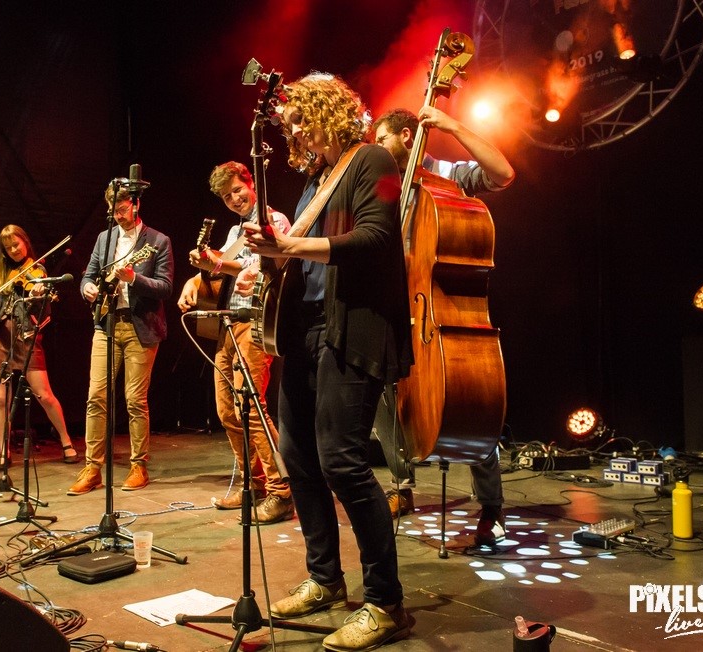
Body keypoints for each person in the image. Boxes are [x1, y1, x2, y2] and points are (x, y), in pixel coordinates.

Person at [236, 74, 413, 651]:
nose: (295, 135)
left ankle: (385, 603)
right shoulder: (314, 182)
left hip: (351, 330)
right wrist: (267, 264)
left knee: (342, 462)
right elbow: (301, 260)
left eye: (300, 123)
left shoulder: (374, 160)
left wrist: (290, 246)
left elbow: (377, 237)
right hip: (305, 331)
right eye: (289, 128)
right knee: (299, 459)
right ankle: (325, 579)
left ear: (325, 111)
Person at [372, 107, 515, 546]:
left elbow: (503, 173)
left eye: (382, 139)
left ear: (407, 135)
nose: (377, 149)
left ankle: (491, 504)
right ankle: (402, 485)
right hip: (400, 309)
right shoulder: (384, 187)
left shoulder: (449, 177)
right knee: (383, 397)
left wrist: (453, 126)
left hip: (442, 312)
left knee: (469, 399)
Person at [176, 161, 294, 524]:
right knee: (227, 411)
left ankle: (282, 491)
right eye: (227, 197)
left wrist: (217, 263)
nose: (234, 199)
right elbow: (224, 273)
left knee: (252, 407)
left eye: (237, 190)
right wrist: (198, 275)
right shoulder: (233, 231)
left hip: (255, 321)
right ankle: (252, 484)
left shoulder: (274, 221)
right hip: (227, 323)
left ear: (251, 183)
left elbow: (263, 268)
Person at [67, 183, 174, 495]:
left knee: (135, 400)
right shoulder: (105, 237)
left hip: (141, 327)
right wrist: (86, 288)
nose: (117, 216)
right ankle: (93, 468)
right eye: (113, 211)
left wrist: (134, 279)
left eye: (123, 209)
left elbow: (166, 287)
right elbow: (89, 274)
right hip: (107, 324)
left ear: (136, 205)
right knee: (96, 396)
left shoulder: (158, 241)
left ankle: (139, 466)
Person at [0, 224, 79, 469]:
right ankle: (4, 451)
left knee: (44, 394)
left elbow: (42, 304)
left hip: (27, 336)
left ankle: (66, 441)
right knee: (1, 399)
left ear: (25, 242)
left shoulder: (38, 269)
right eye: (8, 248)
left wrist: (40, 292)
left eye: (16, 245)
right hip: (1, 337)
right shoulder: (2, 273)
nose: (13, 250)